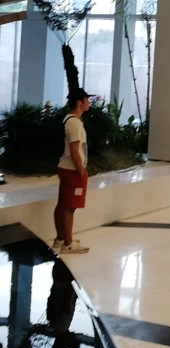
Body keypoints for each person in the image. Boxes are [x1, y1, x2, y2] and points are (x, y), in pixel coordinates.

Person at [54, 88, 92, 254]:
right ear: (79, 103)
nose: (88, 103)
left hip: (65, 167)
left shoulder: (69, 119)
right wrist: (81, 170)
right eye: (86, 100)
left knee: (63, 204)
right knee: (70, 207)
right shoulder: (74, 123)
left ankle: (61, 238)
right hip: (72, 170)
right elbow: (74, 150)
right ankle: (68, 244)